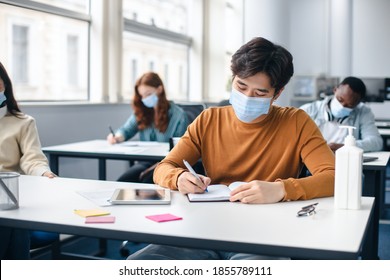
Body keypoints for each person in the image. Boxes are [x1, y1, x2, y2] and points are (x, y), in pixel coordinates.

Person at [127, 37, 335, 260]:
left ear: (278, 93)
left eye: (260, 93)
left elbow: (333, 177)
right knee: (138, 263)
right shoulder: (209, 119)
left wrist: (281, 190)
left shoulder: (297, 122)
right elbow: (163, 167)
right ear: (232, 79)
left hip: (264, 236)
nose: (247, 97)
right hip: (206, 229)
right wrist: (178, 178)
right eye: (241, 86)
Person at [0, 61, 56, 260]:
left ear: (5, 86)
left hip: (9, 195)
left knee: (11, 224)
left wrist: (44, 172)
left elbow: (32, 159)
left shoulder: (23, 122)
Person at [107, 72, 189, 183]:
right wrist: (117, 137)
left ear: (159, 89)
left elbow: (181, 149)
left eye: (148, 94)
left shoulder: (179, 116)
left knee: (146, 182)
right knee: (122, 182)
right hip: (145, 162)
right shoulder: (142, 112)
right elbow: (126, 130)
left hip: (167, 164)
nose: (144, 98)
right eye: (142, 96)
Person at [300, 77, 383, 152]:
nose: (342, 106)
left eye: (349, 105)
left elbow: (376, 142)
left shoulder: (363, 112)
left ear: (357, 104)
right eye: (340, 99)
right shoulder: (309, 109)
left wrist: (347, 146)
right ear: (335, 90)